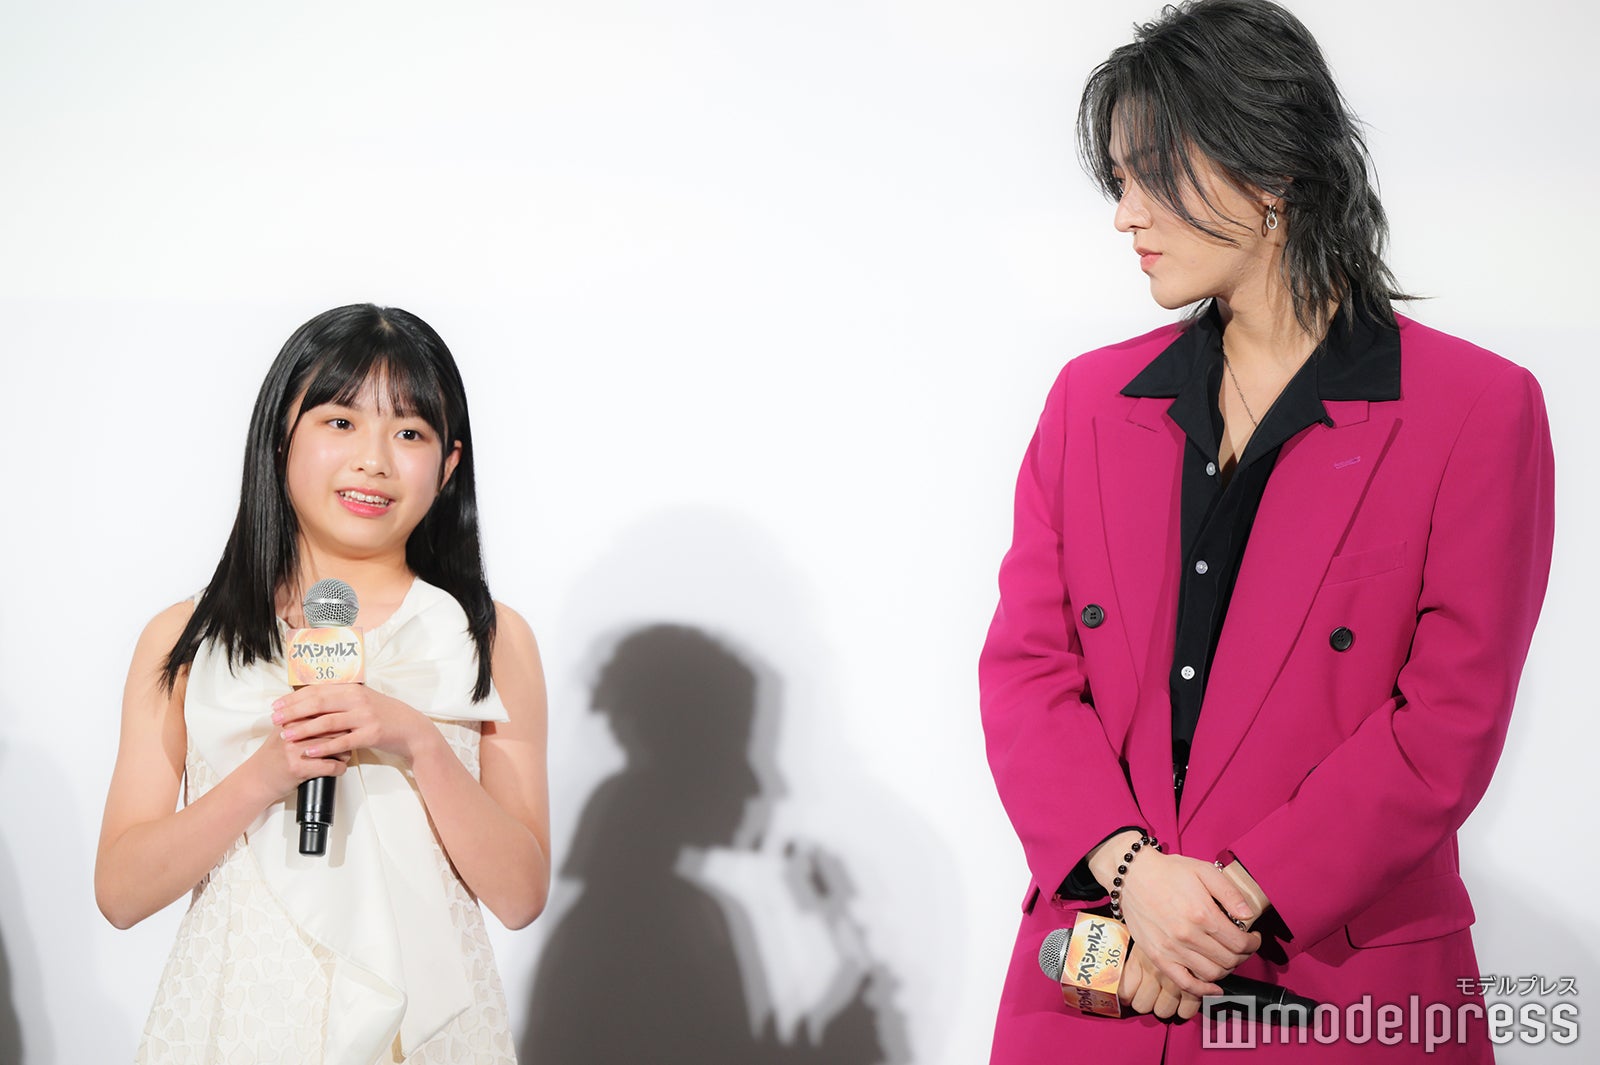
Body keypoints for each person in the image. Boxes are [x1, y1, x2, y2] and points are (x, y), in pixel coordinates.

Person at [978, 2, 1554, 1061]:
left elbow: (1447, 720)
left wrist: (1222, 906)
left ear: (1272, 171)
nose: (1125, 216)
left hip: (1328, 989)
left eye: (1154, 175)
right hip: (1101, 974)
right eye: (1117, 181)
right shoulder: (1087, 404)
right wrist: (1134, 875)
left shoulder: (1474, 409)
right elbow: (1027, 671)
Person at [95, 305, 550, 1064]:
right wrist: (269, 771)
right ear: (281, 436)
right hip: (240, 1024)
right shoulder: (183, 639)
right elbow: (121, 892)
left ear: (448, 466)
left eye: (409, 433)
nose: (373, 460)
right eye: (341, 422)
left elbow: (520, 895)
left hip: (425, 1039)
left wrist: (418, 741)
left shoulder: (490, 640)